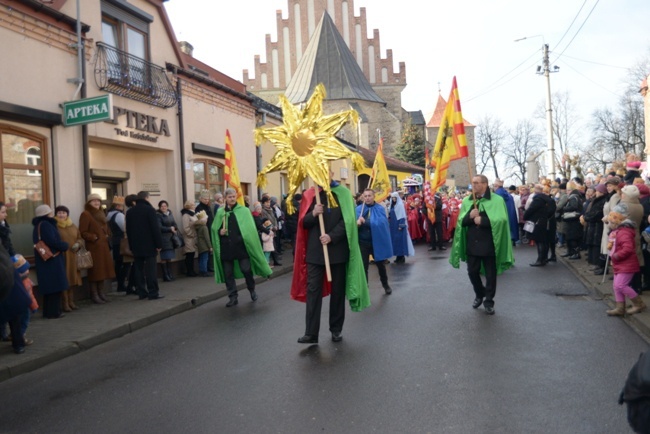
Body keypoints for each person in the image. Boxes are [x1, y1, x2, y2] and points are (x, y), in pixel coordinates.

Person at [291, 179, 369, 344]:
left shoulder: (343, 193)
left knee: (337, 292)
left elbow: (347, 221)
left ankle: (336, 329)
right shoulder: (310, 194)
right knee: (313, 291)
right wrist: (313, 213)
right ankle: (311, 333)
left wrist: (331, 236)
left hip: (337, 251)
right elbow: (303, 223)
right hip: (315, 252)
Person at [450, 175, 514, 315]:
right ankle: (480, 293)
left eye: (476, 183)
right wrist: (470, 217)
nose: (473, 185)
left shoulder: (497, 200)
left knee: (491, 274)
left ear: (485, 184)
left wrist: (483, 221)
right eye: (472, 183)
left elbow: (502, 220)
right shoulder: (468, 200)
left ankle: (489, 301)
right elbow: (462, 222)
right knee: (472, 272)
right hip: (473, 242)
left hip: (489, 242)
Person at [212, 188, 272, 307]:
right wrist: (220, 231)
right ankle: (233, 297)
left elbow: (250, 230)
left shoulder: (244, 211)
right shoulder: (221, 212)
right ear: (225, 199)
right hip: (226, 247)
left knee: (246, 270)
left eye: (234, 196)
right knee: (228, 273)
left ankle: (251, 289)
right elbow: (214, 229)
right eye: (229, 197)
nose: (232, 198)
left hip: (241, 247)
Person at [605, 204, 646, 316]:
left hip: (626, 263)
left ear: (618, 221)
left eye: (611, 223)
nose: (610, 225)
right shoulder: (619, 231)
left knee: (620, 285)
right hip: (621, 263)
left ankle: (639, 304)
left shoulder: (624, 232)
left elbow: (628, 248)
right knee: (616, 286)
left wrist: (616, 256)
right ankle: (620, 308)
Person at [126, 191, 164, 300]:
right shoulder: (149, 210)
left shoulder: (130, 212)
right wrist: (159, 244)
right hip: (149, 244)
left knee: (138, 269)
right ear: (147, 198)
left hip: (136, 245)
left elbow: (128, 230)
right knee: (151, 269)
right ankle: (153, 292)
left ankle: (141, 292)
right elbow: (155, 228)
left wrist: (131, 245)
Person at [32, 204, 69, 318]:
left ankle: (48, 312)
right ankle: (54, 312)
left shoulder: (38, 225)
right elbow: (52, 241)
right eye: (50, 211)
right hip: (51, 259)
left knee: (49, 288)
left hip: (44, 259)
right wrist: (64, 245)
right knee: (54, 287)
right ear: (46, 213)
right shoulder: (46, 225)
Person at [79, 193, 115, 304]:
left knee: (102, 271)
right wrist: (94, 237)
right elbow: (83, 232)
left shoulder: (101, 213)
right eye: (93, 201)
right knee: (95, 272)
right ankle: (94, 295)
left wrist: (108, 234)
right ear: (89, 203)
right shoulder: (86, 214)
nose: (96, 203)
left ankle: (101, 293)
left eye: (98, 201)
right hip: (94, 248)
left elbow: (105, 228)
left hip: (103, 247)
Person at [356, 189, 393, 294]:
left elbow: (381, 223)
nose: (367, 198)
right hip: (363, 242)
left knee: (380, 265)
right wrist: (357, 223)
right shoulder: (358, 209)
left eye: (369, 196)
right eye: (365, 196)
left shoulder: (380, 209)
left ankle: (385, 285)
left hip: (375, 242)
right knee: (363, 267)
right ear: (363, 197)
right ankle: (364, 289)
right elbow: (351, 225)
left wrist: (365, 222)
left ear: (373, 196)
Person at [54, 205, 82, 311]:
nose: (61, 215)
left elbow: (80, 238)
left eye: (64, 213)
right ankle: (65, 304)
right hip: (62, 256)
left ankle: (71, 301)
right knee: (64, 279)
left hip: (73, 255)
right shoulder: (55, 226)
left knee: (72, 279)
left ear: (67, 214)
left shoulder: (73, 226)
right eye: (59, 213)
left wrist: (78, 244)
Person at [524, 184, 555, 266]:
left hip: (537, 222)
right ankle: (543, 259)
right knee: (543, 241)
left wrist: (525, 216)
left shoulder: (537, 200)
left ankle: (540, 260)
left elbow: (530, 210)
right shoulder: (548, 200)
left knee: (539, 241)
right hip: (544, 222)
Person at [106, 196, 129, 292]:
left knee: (118, 263)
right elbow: (124, 228)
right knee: (126, 262)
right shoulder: (119, 215)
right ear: (118, 206)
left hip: (115, 241)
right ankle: (121, 284)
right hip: (121, 241)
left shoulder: (108, 215)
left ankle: (120, 283)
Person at [560, 183, 584, 260]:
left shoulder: (574, 197)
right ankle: (571, 252)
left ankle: (575, 253)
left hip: (574, 220)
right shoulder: (576, 196)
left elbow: (574, 207)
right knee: (570, 237)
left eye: (568, 190)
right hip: (574, 220)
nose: (567, 191)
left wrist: (564, 208)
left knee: (572, 237)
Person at [388, 192, 414, 264]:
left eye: (394, 198)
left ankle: (401, 256)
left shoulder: (400, 205)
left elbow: (402, 216)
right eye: (392, 198)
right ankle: (397, 256)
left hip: (399, 225)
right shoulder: (392, 206)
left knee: (400, 241)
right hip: (393, 226)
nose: (393, 199)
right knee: (395, 241)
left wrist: (401, 225)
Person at [156, 200, 179, 282]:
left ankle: (170, 274)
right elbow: (159, 227)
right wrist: (169, 228)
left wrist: (174, 228)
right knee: (164, 257)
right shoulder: (158, 215)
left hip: (171, 238)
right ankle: (165, 275)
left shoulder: (170, 214)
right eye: (162, 206)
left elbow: (175, 224)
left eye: (165, 206)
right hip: (163, 238)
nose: (164, 207)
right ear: (159, 207)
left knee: (169, 257)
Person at [493, 179, 520, 246]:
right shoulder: (507, 193)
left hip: (503, 213)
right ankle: (513, 239)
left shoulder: (497, 194)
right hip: (510, 213)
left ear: (496, 186)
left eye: (494, 185)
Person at [195, 190, 215, 272]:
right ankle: (204, 268)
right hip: (204, 230)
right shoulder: (199, 208)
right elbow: (199, 221)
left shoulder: (208, 207)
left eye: (208, 199)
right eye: (205, 199)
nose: (206, 200)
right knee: (205, 251)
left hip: (209, 229)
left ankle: (209, 266)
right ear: (201, 199)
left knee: (209, 250)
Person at [261, 196, 282, 266]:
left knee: (273, 246)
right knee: (272, 247)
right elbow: (266, 221)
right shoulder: (263, 211)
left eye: (269, 202)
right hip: (268, 231)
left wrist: (276, 225)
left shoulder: (271, 209)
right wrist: (272, 227)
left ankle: (275, 261)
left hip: (273, 230)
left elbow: (274, 218)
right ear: (263, 203)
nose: (268, 204)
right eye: (266, 202)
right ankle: (275, 261)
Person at [180, 200, 198, 277]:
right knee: (189, 255)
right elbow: (186, 228)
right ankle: (189, 271)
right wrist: (192, 234)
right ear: (189, 206)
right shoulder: (186, 215)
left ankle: (192, 270)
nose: (195, 206)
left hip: (193, 237)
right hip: (188, 237)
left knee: (192, 254)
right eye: (193, 205)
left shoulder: (192, 214)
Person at [195, 210, 213, 277]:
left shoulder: (198, 226)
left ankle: (201, 270)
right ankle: (205, 271)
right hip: (204, 245)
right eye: (206, 218)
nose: (207, 219)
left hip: (200, 245)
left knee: (202, 258)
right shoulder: (204, 227)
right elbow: (207, 238)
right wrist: (210, 246)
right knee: (205, 258)